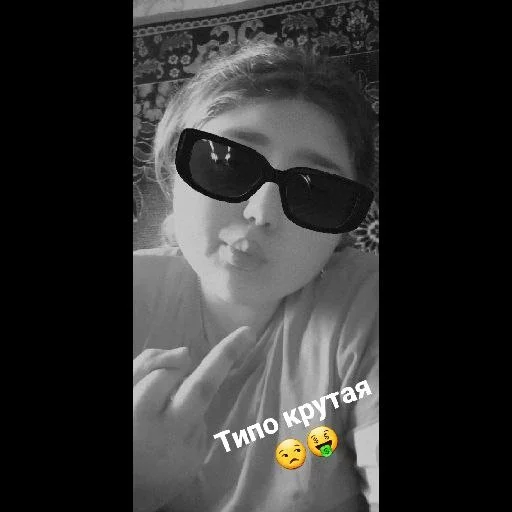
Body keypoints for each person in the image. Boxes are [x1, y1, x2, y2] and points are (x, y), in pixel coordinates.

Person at [133, 40, 379, 512]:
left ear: (343, 231)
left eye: (316, 191)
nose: (261, 212)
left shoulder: (366, 305)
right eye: (226, 164)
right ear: (171, 169)